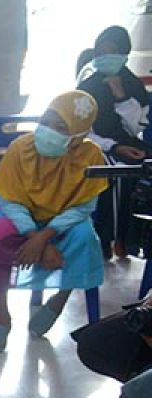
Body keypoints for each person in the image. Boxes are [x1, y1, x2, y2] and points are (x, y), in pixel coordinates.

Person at [0, 91, 109, 354]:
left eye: (61, 127)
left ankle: (57, 303)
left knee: (85, 238)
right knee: (0, 236)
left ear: (78, 136)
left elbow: (83, 207)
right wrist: (33, 235)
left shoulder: (90, 156)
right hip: (17, 211)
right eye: (47, 121)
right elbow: (9, 200)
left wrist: (45, 236)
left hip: (63, 217)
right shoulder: (21, 147)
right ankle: (2, 317)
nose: (49, 130)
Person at [78, 25, 149, 260]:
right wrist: (115, 146)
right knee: (115, 172)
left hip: (131, 144)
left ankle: (133, 239)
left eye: (112, 51)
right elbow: (83, 132)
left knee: (142, 169)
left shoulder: (134, 86)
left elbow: (136, 128)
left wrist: (120, 95)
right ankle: (109, 238)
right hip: (97, 145)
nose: (105, 57)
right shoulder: (87, 87)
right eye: (101, 52)